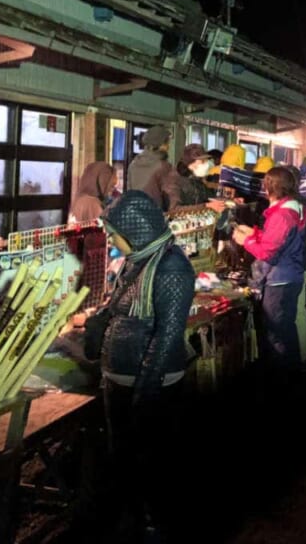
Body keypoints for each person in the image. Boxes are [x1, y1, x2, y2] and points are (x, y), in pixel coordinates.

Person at [98, 190, 195, 540]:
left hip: (148, 381)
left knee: (150, 459)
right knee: (124, 456)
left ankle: (154, 524)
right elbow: (122, 305)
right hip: (122, 377)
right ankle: (133, 518)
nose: (110, 238)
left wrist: (146, 390)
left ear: (135, 231)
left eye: (113, 233)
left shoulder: (171, 268)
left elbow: (168, 335)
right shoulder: (139, 259)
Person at [233, 166, 306, 371]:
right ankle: (292, 372)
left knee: (277, 335)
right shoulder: (295, 207)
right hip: (291, 275)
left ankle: (282, 380)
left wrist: (245, 241)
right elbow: (280, 242)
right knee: (287, 329)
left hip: (280, 280)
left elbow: (269, 253)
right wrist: (254, 234)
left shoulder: (281, 215)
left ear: (270, 188)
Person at [126, 125, 180, 212]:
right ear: (160, 145)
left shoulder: (133, 164)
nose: (168, 147)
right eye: (167, 143)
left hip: (135, 216)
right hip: (155, 218)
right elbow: (172, 202)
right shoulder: (164, 167)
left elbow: (129, 193)